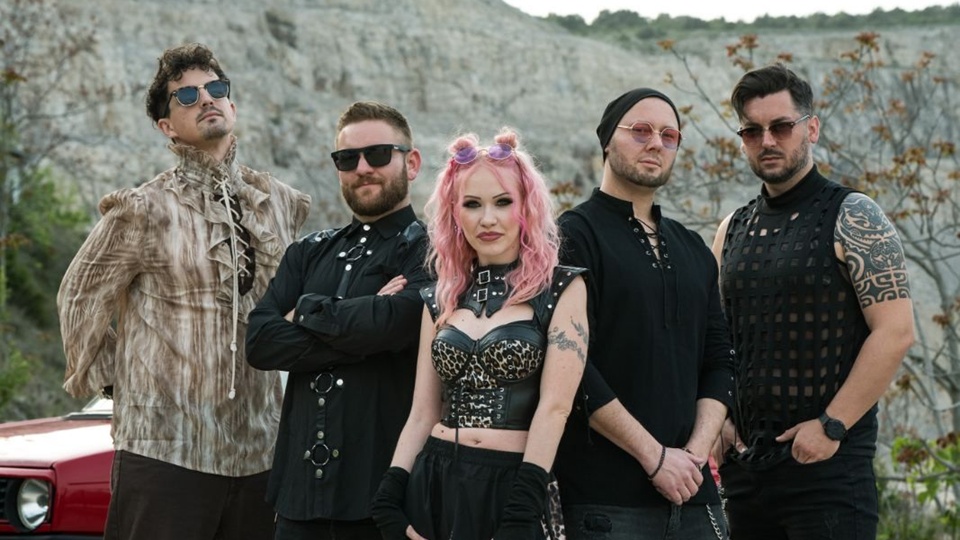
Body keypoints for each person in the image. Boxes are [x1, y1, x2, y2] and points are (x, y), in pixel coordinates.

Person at [57, 43, 311, 540]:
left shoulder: (279, 203)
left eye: (215, 88)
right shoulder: (144, 207)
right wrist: (117, 383)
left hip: (260, 450)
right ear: (166, 126)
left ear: (232, 103)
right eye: (187, 96)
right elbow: (79, 297)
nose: (206, 99)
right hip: (166, 450)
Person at [712, 63, 915, 539]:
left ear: (812, 128)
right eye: (752, 131)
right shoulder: (731, 229)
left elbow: (895, 332)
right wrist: (718, 416)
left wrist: (831, 426)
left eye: (781, 126)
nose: (767, 140)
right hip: (746, 473)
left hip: (829, 472)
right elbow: (717, 338)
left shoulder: (855, 215)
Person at [370, 129, 588, 540]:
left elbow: (555, 409)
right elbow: (422, 412)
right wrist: (390, 492)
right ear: (455, 213)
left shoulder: (561, 288)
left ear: (526, 206)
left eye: (503, 202)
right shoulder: (440, 296)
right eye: (472, 204)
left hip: (513, 487)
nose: (487, 219)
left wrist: (522, 508)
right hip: (433, 481)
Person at [553, 88, 735, 539]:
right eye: (641, 131)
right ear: (606, 140)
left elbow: (720, 359)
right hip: (605, 502)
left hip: (693, 495)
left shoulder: (694, 248)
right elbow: (571, 365)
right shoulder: (572, 236)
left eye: (669, 135)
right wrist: (654, 457)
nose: (656, 143)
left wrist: (693, 456)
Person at [245, 101, 430, 540]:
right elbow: (260, 341)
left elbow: (400, 322)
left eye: (378, 154)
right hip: (298, 503)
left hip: (385, 502)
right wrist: (365, 325)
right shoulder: (307, 252)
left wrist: (306, 310)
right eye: (348, 158)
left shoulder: (433, 249)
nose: (363, 168)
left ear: (412, 162)